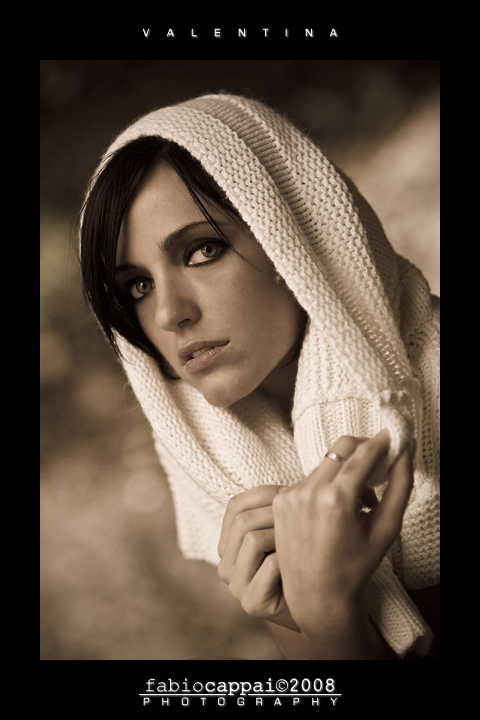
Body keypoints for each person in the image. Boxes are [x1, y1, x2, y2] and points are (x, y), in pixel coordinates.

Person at [79, 92, 439, 659]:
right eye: (138, 286)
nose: (169, 313)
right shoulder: (226, 462)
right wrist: (324, 618)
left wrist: (325, 609)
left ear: (296, 236)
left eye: (203, 250)